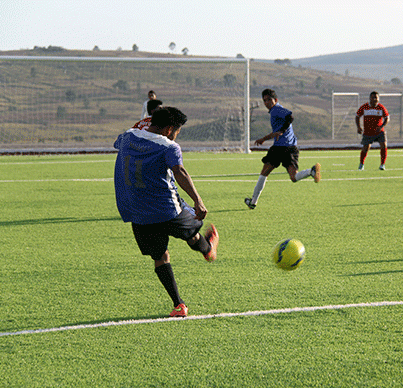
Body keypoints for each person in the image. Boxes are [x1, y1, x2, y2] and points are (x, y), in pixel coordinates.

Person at [114, 106, 219, 318]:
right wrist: (198, 201)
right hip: (168, 209)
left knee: (160, 256)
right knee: (193, 228)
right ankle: (208, 249)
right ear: (170, 129)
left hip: (137, 211)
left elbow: (122, 139)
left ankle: (179, 305)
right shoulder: (169, 147)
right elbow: (179, 171)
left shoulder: (127, 137)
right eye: (177, 131)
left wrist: (142, 128)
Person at [244, 88, 321, 210]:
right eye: (264, 100)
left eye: (269, 99)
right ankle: (310, 172)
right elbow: (277, 132)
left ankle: (253, 201)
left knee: (264, 173)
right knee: (293, 177)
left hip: (280, 148)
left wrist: (282, 131)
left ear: (275, 100)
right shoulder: (275, 111)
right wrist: (264, 138)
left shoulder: (276, 110)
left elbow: (290, 117)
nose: (266, 103)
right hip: (290, 148)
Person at [355, 91, 390, 170]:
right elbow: (357, 116)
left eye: (376, 98)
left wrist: (382, 126)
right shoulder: (364, 107)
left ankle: (382, 164)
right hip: (368, 132)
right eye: (373, 97)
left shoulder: (381, 107)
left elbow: (387, 118)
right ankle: (361, 164)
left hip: (379, 132)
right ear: (370, 98)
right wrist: (358, 127)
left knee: (384, 145)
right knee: (366, 148)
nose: (375, 99)